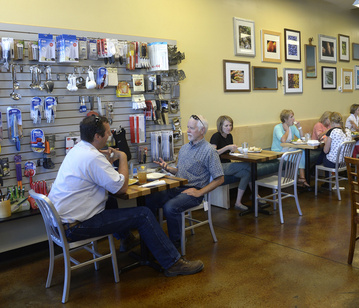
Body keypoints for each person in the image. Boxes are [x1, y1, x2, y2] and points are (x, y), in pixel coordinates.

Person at [49, 115, 203, 277]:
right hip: (75, 228)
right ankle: (173, 263)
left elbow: (102, 180)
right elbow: (121, 188)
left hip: (60, 225)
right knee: (143, 214)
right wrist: (122, 156)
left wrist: (107, 162)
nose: (110, 136)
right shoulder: (92, 157)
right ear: (97, 136)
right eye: (108, 132)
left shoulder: (78, 150)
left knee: (110, 201)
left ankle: (127, 239)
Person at [147, 114, 224, 247]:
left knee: (170, 207)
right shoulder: (184, 148)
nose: (187, 131)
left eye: (191, 128)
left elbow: (220, 178)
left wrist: (200, 193)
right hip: (177, 187)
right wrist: (168, 168)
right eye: (187, 127)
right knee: (149, 199)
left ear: (202, 130)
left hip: (194, 191)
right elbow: (180, 171)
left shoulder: (209, 151)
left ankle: (175, 245)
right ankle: (154, 240)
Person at [210, 115, 251, 211]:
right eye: (226, 126)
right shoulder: (216, 136)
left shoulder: (229, 136)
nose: (229, 128)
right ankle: (256, 194)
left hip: (227, 164)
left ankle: (238, 202)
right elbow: (212, 153)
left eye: (230, 125)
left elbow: (229, 153)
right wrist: (227, 147)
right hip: (218, 166)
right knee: (248, 165)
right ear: (220, 126)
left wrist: (235, 151)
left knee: (246, 173)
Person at [271, 109, 309, 188]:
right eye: (291, 117)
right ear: (285, 119)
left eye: (293, 117)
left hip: (288, 150)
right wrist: (287, 130)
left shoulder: (293, 127)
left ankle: (302, 177)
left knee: (301, 151)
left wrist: (299, 127)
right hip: (279, 152)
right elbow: (283, 140)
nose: (293, 119)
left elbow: (302, 138)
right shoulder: (277, 127)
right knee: (298, 154)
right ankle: (300, 178)